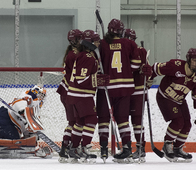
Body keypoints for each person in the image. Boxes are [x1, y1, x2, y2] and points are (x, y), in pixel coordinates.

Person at [96, 19, 142, 162]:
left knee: (103, 119)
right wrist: (125, 70)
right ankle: (127, 148)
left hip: (106, 88)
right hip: (125, 88)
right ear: (121, 31)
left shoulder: (102, 44)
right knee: (123, 120)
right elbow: (135, 66)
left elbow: (96, 66)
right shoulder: (130, 44)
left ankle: (103, 148)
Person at [151, 48, 196, 162]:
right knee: (178, 121)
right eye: (194, 60)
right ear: (188, 60)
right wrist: (148, 78)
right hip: (164, 97)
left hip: (179, 100)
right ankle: (167, 145)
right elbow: (156, 68)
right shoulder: (175, 66)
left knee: (187, 124)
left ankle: (177, 148)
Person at [66, 30, 110, 163]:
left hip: (74, 94)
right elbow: (81, 79)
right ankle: (84, 148)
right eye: (96, 40)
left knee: (80, 122)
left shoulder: (85, 55)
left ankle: (73, 149)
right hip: (81, 95)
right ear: (89, 42)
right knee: (92, 120)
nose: (98, 43)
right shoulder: (88, 57)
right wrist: (98, 80)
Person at [124, 29, 152, 162]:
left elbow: (148, 72)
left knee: (136, 121)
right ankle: (126, 148)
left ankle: (140, 148)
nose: (130, 41)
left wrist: (148, 74)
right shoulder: (120, 50)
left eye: (132, 39)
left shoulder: (141, 51)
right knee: (123, 120)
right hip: (123, 90)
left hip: (138, 90)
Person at [56, 29, 82, 162]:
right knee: (75, 122)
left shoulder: (72, 53)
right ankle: (66, 148)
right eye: (80, 39)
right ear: (76, 40)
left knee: (74, 121)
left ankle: (67, 147)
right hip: (69, 92)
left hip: (67, 91)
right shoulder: (75, 55)